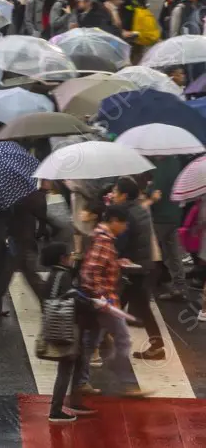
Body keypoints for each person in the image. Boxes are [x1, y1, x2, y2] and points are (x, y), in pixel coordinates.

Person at [77, 206, 149, 398]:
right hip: (104, 302)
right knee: (123, 338)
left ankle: (80, 381)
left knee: (90, 342)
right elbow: (91, 272)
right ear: (115, 220)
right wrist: (103, 298)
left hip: (100, 301)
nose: (125, 227)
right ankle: (128, 382)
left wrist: (117, 263)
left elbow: (95, 268)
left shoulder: (103, 239)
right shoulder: (103, 241)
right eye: (124, 223)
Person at [110, 177, 164, 360]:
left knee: (116, 302)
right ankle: (157, 346)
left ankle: (100, 341)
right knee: (135, 303)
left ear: (124, 195)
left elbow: (122, 242)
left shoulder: (126, 214)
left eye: (115, 191)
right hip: (142, 265)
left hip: (132, 266)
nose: (112, 194)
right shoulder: (140, 207)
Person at [42, 242, 97, 423]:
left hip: (65, 327)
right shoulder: (62, 275)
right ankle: (56, 410)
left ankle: (75, 401)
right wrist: (92, 304)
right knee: (66, 368)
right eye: (70, 254)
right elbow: (70, 299)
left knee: (80, 361)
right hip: (66, 329)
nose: (72, 256)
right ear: (62, 258)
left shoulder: (55, 274)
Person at [148, 155, 189, 302]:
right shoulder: (178, 162)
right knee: (174, 254)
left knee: (154, 253)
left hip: (160, 217)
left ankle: (147, 289)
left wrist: (148, 190)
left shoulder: (161, 167)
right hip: (175, 214)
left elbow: (155, 193)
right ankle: (180, 287)